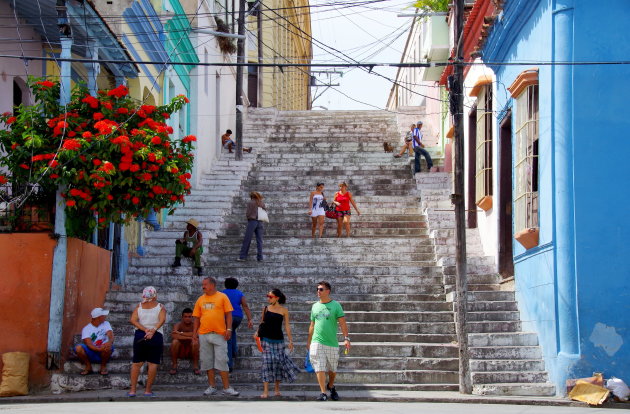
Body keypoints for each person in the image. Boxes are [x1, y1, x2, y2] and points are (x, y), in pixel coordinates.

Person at [193, 277, 240, 396]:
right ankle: (212, 386)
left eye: (205, 284)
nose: (203, 286)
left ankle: (226, 387)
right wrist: (194, 334)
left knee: (222, 360)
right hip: (204, 334)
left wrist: (229, 329)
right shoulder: (200, 299)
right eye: (202, 284)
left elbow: (229, 314)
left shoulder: (222, 297)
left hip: (219, 333)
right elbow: (196, 318)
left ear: (212, 285)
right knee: (207, 361)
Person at [307, 281, 350, 401]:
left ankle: (331, 386)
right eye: (317, 289)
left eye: (321, 289)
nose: (318, 291)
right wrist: (309, 341)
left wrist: (346, 338)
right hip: (317, 341)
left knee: (333, 370)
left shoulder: (336, 305)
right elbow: (312, 325)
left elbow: (342, 323)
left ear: (328, 291)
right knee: (319, 367)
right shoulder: (314, 306)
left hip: (331, 342)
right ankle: (323, 393)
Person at [255, 288, 299, 399]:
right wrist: (257, 332)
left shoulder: (284, 310)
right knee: (266, 363)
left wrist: (290, 340)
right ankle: (265, 391)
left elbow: (287, 326)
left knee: (278, 363)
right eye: (268, 296)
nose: (268, 298)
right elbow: (262, 322)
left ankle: (277, 389)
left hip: (279, 340)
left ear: (277, 298)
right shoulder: (266, 308)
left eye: (270, 296)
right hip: (266, 339)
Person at [128, 286, 167, 397]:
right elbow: (162, 319)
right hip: (155, 335)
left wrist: (144, 329)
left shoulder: (139, 306)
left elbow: (133, 320)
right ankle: (148, 390)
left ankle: (132, 391)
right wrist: (153, 330)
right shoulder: (160, 307)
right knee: (152, 363)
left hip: (141, 335)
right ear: (154, 295)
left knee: (137, 363)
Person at [222, 277, 254, 372]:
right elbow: (245, 306)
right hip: (238, 317)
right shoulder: (240, 293)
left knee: (228, 339)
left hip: (227, 317)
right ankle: (234, 351)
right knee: (232, 332)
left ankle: (229, 364)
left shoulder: (222, 293)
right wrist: (249, 319)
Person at [75, 307, 114, 376]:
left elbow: (110, 335)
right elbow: (89, 344)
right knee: (78, 348)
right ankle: (88, 366)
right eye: (103, 316)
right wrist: (99, 349)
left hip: (104, 350)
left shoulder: (106, 323)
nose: (105, 317)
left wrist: (109, 342)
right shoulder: (86, 329)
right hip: (92, 351)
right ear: (98, 317)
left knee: (108, 346)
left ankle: (103, 366)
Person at [169, 308, 200, 375]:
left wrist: (181, 333)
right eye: (185, 317)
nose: (187, 318)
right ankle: (174, 365)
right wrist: (190, 337)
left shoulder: (195, 325)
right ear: (182, 317)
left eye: (189, 317)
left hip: (192, 349)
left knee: (195, 342)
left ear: (192, 317)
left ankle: (195, 366)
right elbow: (174, 335)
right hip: (180, 349)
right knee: (175, 342)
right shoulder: (178, 325)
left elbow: (196, 334)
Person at [237, 192, 266, 262]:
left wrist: (249, 217)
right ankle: (260, 257)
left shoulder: (251, 203)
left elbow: (248, 213)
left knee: (247, 239)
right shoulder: (261, 203)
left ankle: (242, 257)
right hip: (260, 222)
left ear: (252, 196)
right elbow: (265, 211)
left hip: (252, 222)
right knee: (259, 240)